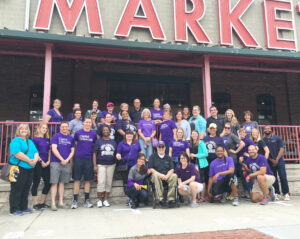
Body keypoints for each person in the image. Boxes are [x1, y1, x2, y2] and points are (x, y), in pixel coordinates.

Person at [9, 124, 39, 215]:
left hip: (30, 169)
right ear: (18, 130)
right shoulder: (16, 140)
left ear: (28, 131)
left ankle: (23, 207)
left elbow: (36, 152)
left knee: (26, 188)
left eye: (25, 129)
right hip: (18, 168)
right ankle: (14, 209)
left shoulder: (30, 141)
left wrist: (35, 161)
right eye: (21, 129)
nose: (24, 130)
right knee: (17, 188)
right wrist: (30, 160)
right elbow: (17, 153)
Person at [71, 118, 97, 209]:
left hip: (88, 159)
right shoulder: (78, 133)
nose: (88, 124)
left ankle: (87, 200)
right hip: (78, 158)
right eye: (86, 122)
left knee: (88, 180)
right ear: (83, 123)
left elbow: (94, 144)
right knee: (77, 179)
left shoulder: (94, 134)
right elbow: (75, 143)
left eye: (89, 122)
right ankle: (74, 201)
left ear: (91, 124)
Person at [50, 121, 75, 211]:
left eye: (66, 127)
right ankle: (53, 203)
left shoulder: (70, 138)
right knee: (54, 182)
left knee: (62, 183)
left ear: (68, 128)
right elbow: (54, 148)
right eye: (62, 127)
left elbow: (72, 151)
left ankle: (60, 202)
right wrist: (61, 159)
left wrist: (67, 160)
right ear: (60, 127)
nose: (64, 128)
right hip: (56, 162)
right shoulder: (56, 136)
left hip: (66, 163)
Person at [263, 126, 290, 201]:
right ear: (264, 130)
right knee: (274, 178)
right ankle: (277, 193)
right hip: (270, 161)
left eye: (268, 129)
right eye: (265, 129)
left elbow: (281, 149)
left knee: (283, 177)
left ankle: (286, 193)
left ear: (271, 130)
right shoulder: (263, 140)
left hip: (279, 160)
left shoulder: (278, 138)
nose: (267, 130)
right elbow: (264, 151)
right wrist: (272, 160)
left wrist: (277, 159)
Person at [93, 126, 117, 208]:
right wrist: (95, 165)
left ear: (110, 131)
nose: (106, 131)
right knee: (101, 182)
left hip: (111, 164)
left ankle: (106, 200)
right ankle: (99, 200)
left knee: (108, 183)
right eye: (104, 130)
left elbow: (116, 154)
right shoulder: (98, 141)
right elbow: (94, 154)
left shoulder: (113, 142)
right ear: (102, 132)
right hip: (101, 164)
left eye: (107, 130)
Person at [148, 141, 177, 208]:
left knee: (174, 176)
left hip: (167, 176)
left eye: (162, 147)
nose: (161, 148)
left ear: (165, 148)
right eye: (159, 147)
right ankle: (160, 199)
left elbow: (172, 169)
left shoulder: (168, 157)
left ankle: (171, 199)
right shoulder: (152, 157)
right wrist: (160, 175)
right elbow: (151, 169)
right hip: (157, 176)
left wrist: (167, 175)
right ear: (157, 148)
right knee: (155, 176)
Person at [31, 123, 51, 210]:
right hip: (38, 163)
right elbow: (34, 152)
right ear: (39, 128)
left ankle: (42, 203)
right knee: (36, 182)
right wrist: (41, 161)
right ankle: (35, 204)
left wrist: (49, 160)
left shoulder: (47, 139)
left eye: (46, 128)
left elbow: (49, 151)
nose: (44, 129)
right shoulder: (34, 139)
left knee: (48, 182)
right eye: (43, 128)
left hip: (47, 163)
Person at [116, 130, 142, 196]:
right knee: (126, 182)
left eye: (131, 134)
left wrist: (143, 158)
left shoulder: (137, 143)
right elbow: (118, 153)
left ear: (133, 136)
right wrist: (118, 155)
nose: (129, 135)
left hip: (135, 166)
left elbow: (140, 152)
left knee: (134, 181)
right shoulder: (121, 143)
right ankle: (128, 198)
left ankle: (134, 197)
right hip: (125, 166)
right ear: (125, 135)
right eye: (127, 134)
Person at [190, 130, 209, 202]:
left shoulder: (201, 143)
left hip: (201, 164)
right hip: (194, 164)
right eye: (193, 134)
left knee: (202, 180)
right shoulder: (191, 143)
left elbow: (206, 153)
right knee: (196, 179)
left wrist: (195, 155)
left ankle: (202, 197)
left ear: (198, 135)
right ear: (191, 135)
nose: (194, 135)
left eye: (195, 134)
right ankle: (197, 197)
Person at [237, 128, 256, 198]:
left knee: (246, 176)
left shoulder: (247, 140)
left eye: (243, 133)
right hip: (238, 162)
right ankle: (246, 192)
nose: (242, 134)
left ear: (245, 134)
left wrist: (249, 155)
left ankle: (250, 193)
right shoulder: (237, 140)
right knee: (242, 177)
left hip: (245, 162)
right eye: (240, 133)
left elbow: (256, 148)